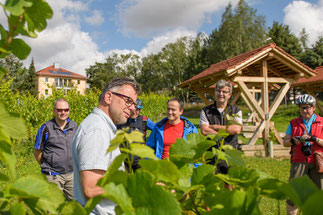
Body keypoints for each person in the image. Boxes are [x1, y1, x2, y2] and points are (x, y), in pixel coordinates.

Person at [72, 77, 141, 215]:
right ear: (109, 97)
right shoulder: (98, 130)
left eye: (134, 103)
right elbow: (91, 188)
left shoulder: (103, 127)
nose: (133, 108)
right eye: (128, 101)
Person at [283, 94, 323, 215]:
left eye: (307, 107)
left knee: (320, 193)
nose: (304, 111)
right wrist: (294, 141)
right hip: (299, 160)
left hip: (318, 161)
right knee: (294, 193)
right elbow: (285, 143)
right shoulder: (294, 123)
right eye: (302, 108)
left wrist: (314, 139)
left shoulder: (322, 122)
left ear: (314, 107)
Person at [34, 98, 77, 201]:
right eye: (59, 110)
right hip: (53, 175)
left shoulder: (74, 126)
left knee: (76, 205)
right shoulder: (46, 128)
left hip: (71, 174)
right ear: (54, 111)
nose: (63, 112)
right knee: (53, 206)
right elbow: (37, 151)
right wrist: (48, 166)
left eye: (66, 110)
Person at [200, 79, 242, 174]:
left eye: (224, 92)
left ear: (229, 95)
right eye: (218, 91)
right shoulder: (206, 111)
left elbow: (236, 130)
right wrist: (226, 131)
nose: (221, 94)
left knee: (229, 182)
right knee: (211, 182)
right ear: (215, 92)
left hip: (230, 153)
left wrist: (214, 126)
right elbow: (205, 131)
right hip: (212, 152)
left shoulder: (236, 111)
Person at [117, 98, 155, 172]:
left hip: (140, 159)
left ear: (140, 110)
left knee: (140, 180)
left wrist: (151, 145)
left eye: (137, 110)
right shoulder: (122, 120)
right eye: (133, 109)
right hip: (125, 159)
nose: (135, 112)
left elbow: (157, 130)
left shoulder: (144, 120)